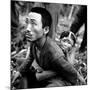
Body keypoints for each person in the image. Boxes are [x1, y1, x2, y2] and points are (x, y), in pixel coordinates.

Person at [12, 7, 86, 89]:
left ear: (46, 29)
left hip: (57, 77)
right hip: (44, 67)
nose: (28, 29)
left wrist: (81, 82)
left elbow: (69, 70)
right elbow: (30, 58)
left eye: (33, 23)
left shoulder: (56, 53)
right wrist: (19, 71)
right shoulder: (34, 43)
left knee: (54, 84)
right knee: (20, 62)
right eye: (27, 23)